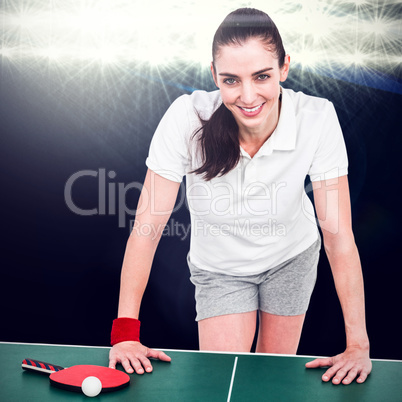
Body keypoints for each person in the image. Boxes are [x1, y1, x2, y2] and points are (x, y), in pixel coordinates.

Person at [109, 8, 372, 385]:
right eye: (231, 80)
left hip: (290, 258)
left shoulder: (317, 118)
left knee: (269, 380)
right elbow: (147, 229)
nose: (248, 96)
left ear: (284, 68)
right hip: (219, 269)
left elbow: (339, 237)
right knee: (221, 383)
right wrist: (125, 335)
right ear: (214, 75)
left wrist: (357, 344)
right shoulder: (187, 118)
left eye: (262, 76)